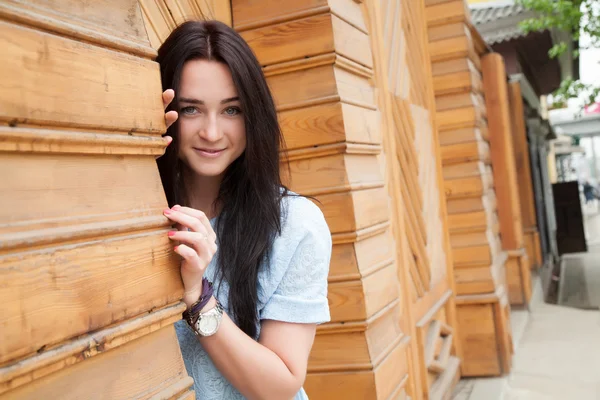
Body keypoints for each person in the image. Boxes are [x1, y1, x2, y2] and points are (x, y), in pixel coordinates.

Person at [155, 20, 332, 400]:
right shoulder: (132, 217)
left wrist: (197, 296)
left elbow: (281, 384)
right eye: (191, 110)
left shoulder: (294, 225)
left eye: (232, 110)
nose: (213, 132)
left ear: (254, 115)